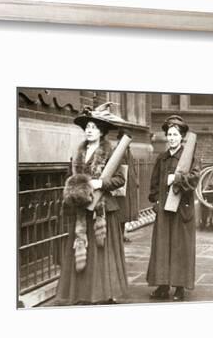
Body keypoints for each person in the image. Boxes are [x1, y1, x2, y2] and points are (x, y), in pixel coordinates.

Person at [55, 105, 128, 305]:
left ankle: (104, 293)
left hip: (102, 209)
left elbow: (121, 179)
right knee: (81, 248)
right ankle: (82, 293)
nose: (89, 130)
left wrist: (100, 183)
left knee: (102, 252)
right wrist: (74, 188)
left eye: (94, 127)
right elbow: (71, 177)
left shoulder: (110, 152)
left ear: (101, 131)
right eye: (87, 127)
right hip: (81, 208)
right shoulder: (78, 152)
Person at [146, 115, 199, 301]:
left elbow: (194, 179)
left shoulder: (189, 157)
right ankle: (162, 285)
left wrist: (176, 179)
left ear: (182, 136)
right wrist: (155, 201)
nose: (172, 138)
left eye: (175, 134)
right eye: (169, 134)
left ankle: (179, 287)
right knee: (162, 247)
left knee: (179, 248)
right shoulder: (162, 158)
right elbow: (153, 183)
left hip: (182, 210)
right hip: (163, 210)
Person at [114, 128, 140, 242]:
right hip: (120, 187)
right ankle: (118, 236)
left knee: (124, 214)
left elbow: (132, 167)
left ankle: (122, 234)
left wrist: (136, 180)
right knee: (120, 213)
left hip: (128, 187)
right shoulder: (117, 151)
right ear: (119, 139)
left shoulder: (127, 151)